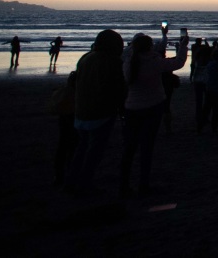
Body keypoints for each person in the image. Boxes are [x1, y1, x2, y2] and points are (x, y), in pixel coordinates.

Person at [120, 30, 188, 197]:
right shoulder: (154, 62)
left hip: (131, 108)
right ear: (150, 47)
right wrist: (183, 46)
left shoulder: (128, 62)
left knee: (129, 148)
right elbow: (178, 63)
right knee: (146, 147)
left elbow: (132, 52)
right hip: (153, 107)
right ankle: (143, 184)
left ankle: (124, 184)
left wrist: (163, 37)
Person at [65, 29, 125, 195]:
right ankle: (84, 183)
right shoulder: (111, 61)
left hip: (81, 111)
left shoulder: (86, 58)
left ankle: (71, 180)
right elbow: (116, 87)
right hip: (101, 113)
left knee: (81, 148)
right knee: (94, 152)